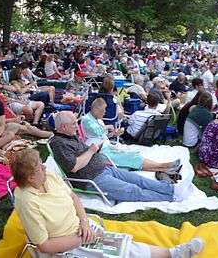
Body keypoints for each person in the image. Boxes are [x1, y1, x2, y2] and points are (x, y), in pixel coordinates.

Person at [11, 148, 204, 257]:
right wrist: (82, 238)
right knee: (118, 252)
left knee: (122, 245)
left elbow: (74, 198)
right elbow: (44, 246)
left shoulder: (49, 177)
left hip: (81, 229)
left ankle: (173, 253)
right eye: (39, 167)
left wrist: (84, 223)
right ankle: (174, 253)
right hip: (64, 246)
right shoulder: (27, 200)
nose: (45, 167)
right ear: (29, 177)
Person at [49, 111, 178, 202]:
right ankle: (171, 197)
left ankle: (170, 189)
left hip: (104, 168)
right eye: (74, 124)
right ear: (64, 127)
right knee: (133, 190)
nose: (77, 127)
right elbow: (74, 167)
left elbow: (82, 153)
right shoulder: (59, 143)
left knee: (138, 180)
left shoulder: (70, 135)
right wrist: (91, 151)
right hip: (93, 178)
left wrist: (94, 149)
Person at [81, 99, 180, 173]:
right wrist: (108, 127)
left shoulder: (97, 119)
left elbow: (102, 135)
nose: (105, 112)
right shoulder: (86, 119)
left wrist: (114, 133)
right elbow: (96, 131)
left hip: (106, 146)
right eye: (103, 110)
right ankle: (164, 166)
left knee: (133, 156)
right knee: (131, 157)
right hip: (101, 151)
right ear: (96, 109)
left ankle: (164, 168)